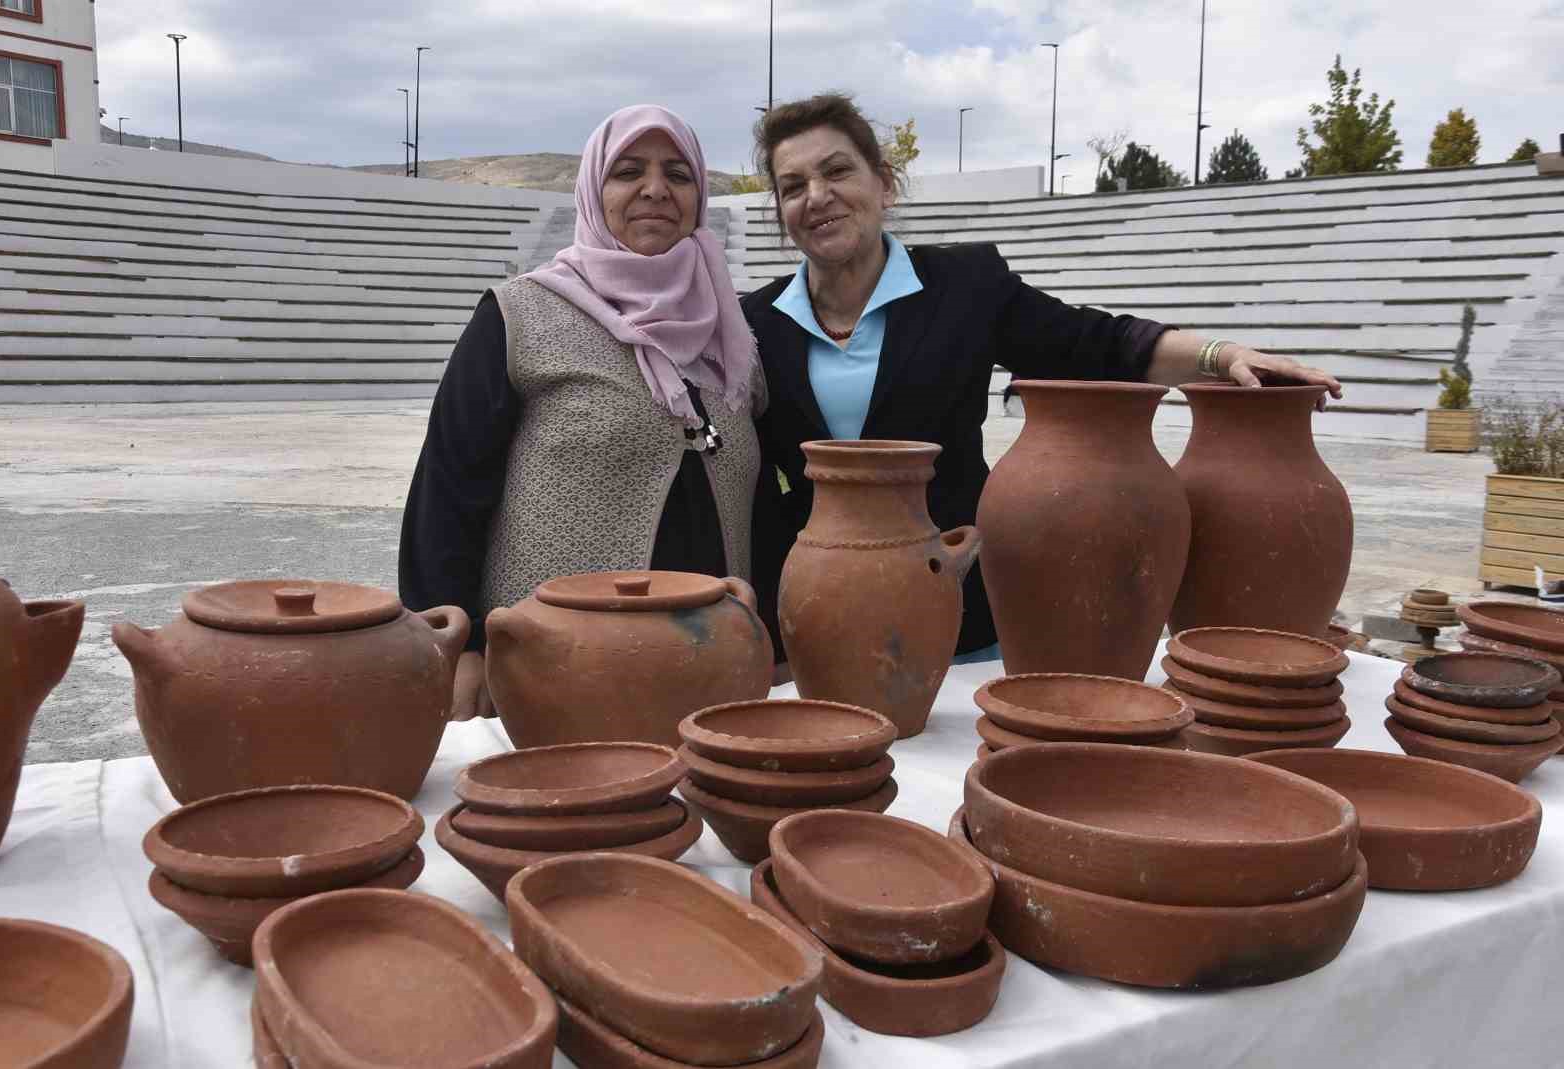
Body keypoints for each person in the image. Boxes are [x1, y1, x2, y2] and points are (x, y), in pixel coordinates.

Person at [743, 93, 1343, 662]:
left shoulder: (966, 286)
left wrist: (1218, 354)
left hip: (960, 606)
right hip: (814, 613)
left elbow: (1094, 343)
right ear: (780, 211)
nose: (817, 196)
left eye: (837, 171)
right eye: (793, 186)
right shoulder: (753, 323)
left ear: (885, 183)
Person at [400, 105, 765, 719]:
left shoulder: (734, 331)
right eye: (628, 171)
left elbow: (769, 499)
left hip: (711, 668)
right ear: (595, 191)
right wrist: (460, 644)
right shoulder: (519, 314)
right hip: (553, 669)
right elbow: (449, 482)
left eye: (678, 173)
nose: (656, 189)